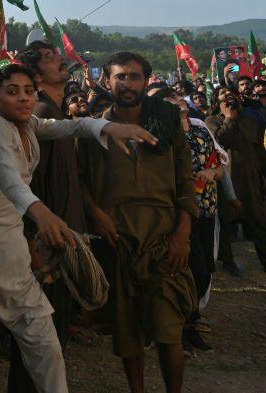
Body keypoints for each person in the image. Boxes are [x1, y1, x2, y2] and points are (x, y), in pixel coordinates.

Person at [0, 63, 151, 393]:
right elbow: (8, 177)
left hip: (3, 241)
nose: (24, 99)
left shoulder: (29, 126)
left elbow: (70, 127)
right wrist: (39, 212)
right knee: (30, 335)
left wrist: (108, 128)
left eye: (29, 91)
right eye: (13, 92)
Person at [77, 52, 198, 393]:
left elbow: (186, 182)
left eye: (133, 77)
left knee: (168, 330)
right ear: (108, 81)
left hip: (162, 239)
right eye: (120, 77)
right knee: (127, 333)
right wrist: (96, 213)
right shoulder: (94, 128)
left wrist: (182, 234)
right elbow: (81, 180)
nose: (127, 83)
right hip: (118, 239)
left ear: (146, 81)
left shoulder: (167, 122)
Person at [5, 41, 91, 392]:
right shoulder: (40, 115)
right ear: (38, 74)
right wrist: (31, 244)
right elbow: (28, 184)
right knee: (37, 343)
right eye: (51, 58)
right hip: (45, 246)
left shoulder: (53, 110)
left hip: (60, 239)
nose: (61, 60)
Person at [154, 87, 225, 352]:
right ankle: (179, 326)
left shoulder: (198, 127)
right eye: (170, 99)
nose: (178, 100)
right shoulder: (161, 134)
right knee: (186, 269)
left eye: (178, 97)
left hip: (206, 208)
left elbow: (219, 162)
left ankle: (191, 320)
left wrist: (212, 173)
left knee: (205, 268)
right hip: (180, 213)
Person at [207, 86, 266, 272]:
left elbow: (258, 146)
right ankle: (228, 262)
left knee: (259, 222)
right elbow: (221, 140)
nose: (228, 96)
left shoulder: (251, 118)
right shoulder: (211, 121)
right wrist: (229, 118)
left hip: (251, 178)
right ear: (217, 101)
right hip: (227, 180)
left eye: (230, 93)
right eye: (222, 94)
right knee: (226, 222)